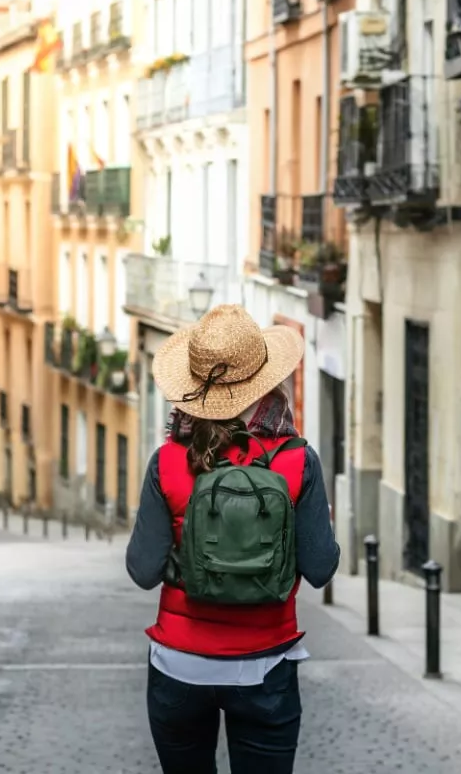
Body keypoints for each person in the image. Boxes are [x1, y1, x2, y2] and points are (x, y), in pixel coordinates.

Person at [126, 304, 340, 774]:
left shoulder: (166, 462)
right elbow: (321, 568)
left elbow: (142, 571)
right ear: (266, 381)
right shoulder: (297, 462)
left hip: (179, 666)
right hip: (266, 666)